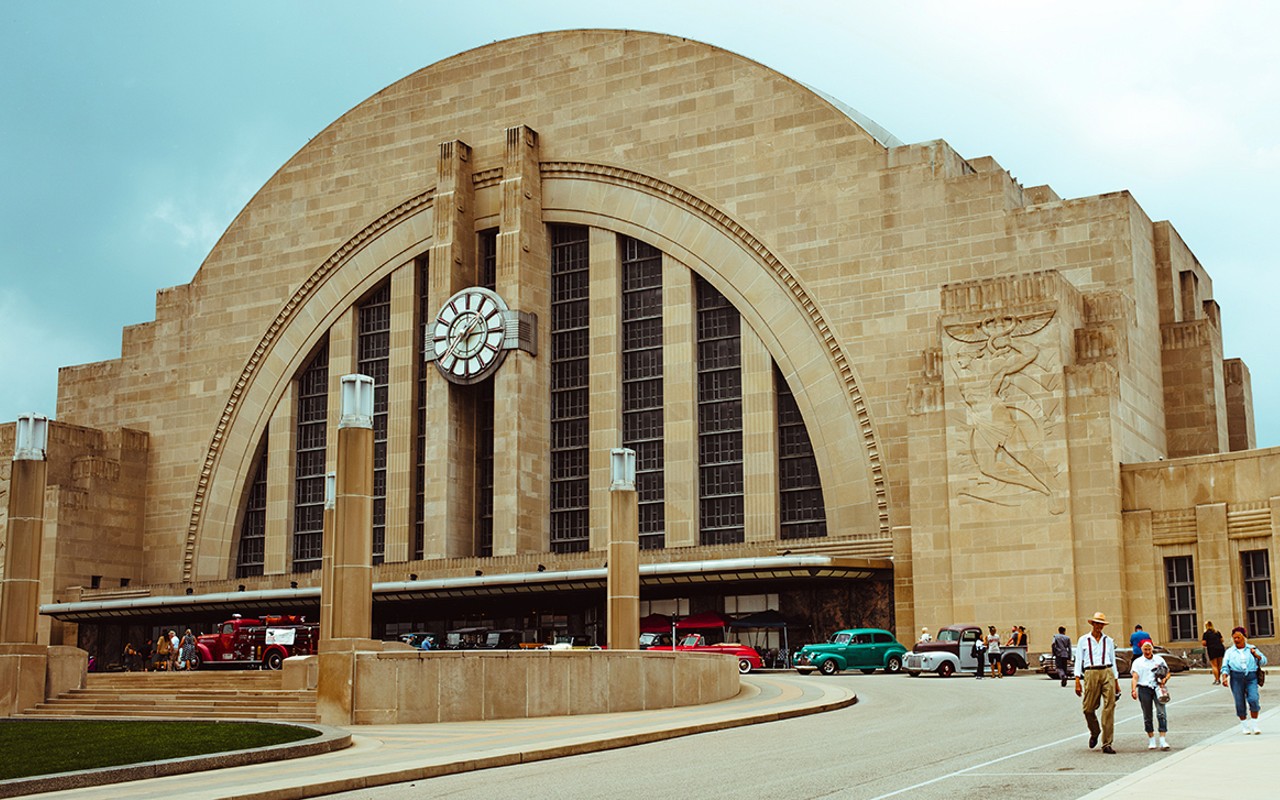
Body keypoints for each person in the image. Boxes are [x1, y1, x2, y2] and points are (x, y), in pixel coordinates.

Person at [1074, 611, 1121, 754]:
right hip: (1090, 672)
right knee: (1088, 708)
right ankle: (1095, 731)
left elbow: (1113, 661)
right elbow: (1078, 660)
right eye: (1097, 623)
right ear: (1092, 624)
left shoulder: (1109, 641)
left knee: (1109, 707)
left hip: (1107, 671)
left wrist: (1116, 681)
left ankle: (1107, 743)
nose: (1099, 626)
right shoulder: (1084, 640)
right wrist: (1077, 680)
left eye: (1101, 624)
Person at [1221, 626, 1267, 734]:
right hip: (1236, 678)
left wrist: (1256, 655)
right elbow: (1225, 665)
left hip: (1251, 676)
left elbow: (1264, 661)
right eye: (1234, 638)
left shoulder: (1252, 648)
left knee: (1254, 699)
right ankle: (1245, 726)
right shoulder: (1230, 652)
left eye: (1239, 637)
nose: (1236, 640)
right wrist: (1224, 677)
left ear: (1244, 637)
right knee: (1239, 701)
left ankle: (1255, 725)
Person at [1130, 639, 1171, 750]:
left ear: (1152, 648)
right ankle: (1151, 738)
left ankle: (1162, 739)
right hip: (1144, 688)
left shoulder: (1159, 659)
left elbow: (1168, 672)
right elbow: (1135, 677)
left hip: (1158, 687)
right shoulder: (1138, 662)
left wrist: (1164, 679)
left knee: (1161, 713)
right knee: (1147, 715)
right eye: (1145, 649)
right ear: (1141, 649)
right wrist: (1133, 690)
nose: (1147, 651)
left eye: (1149, 649)